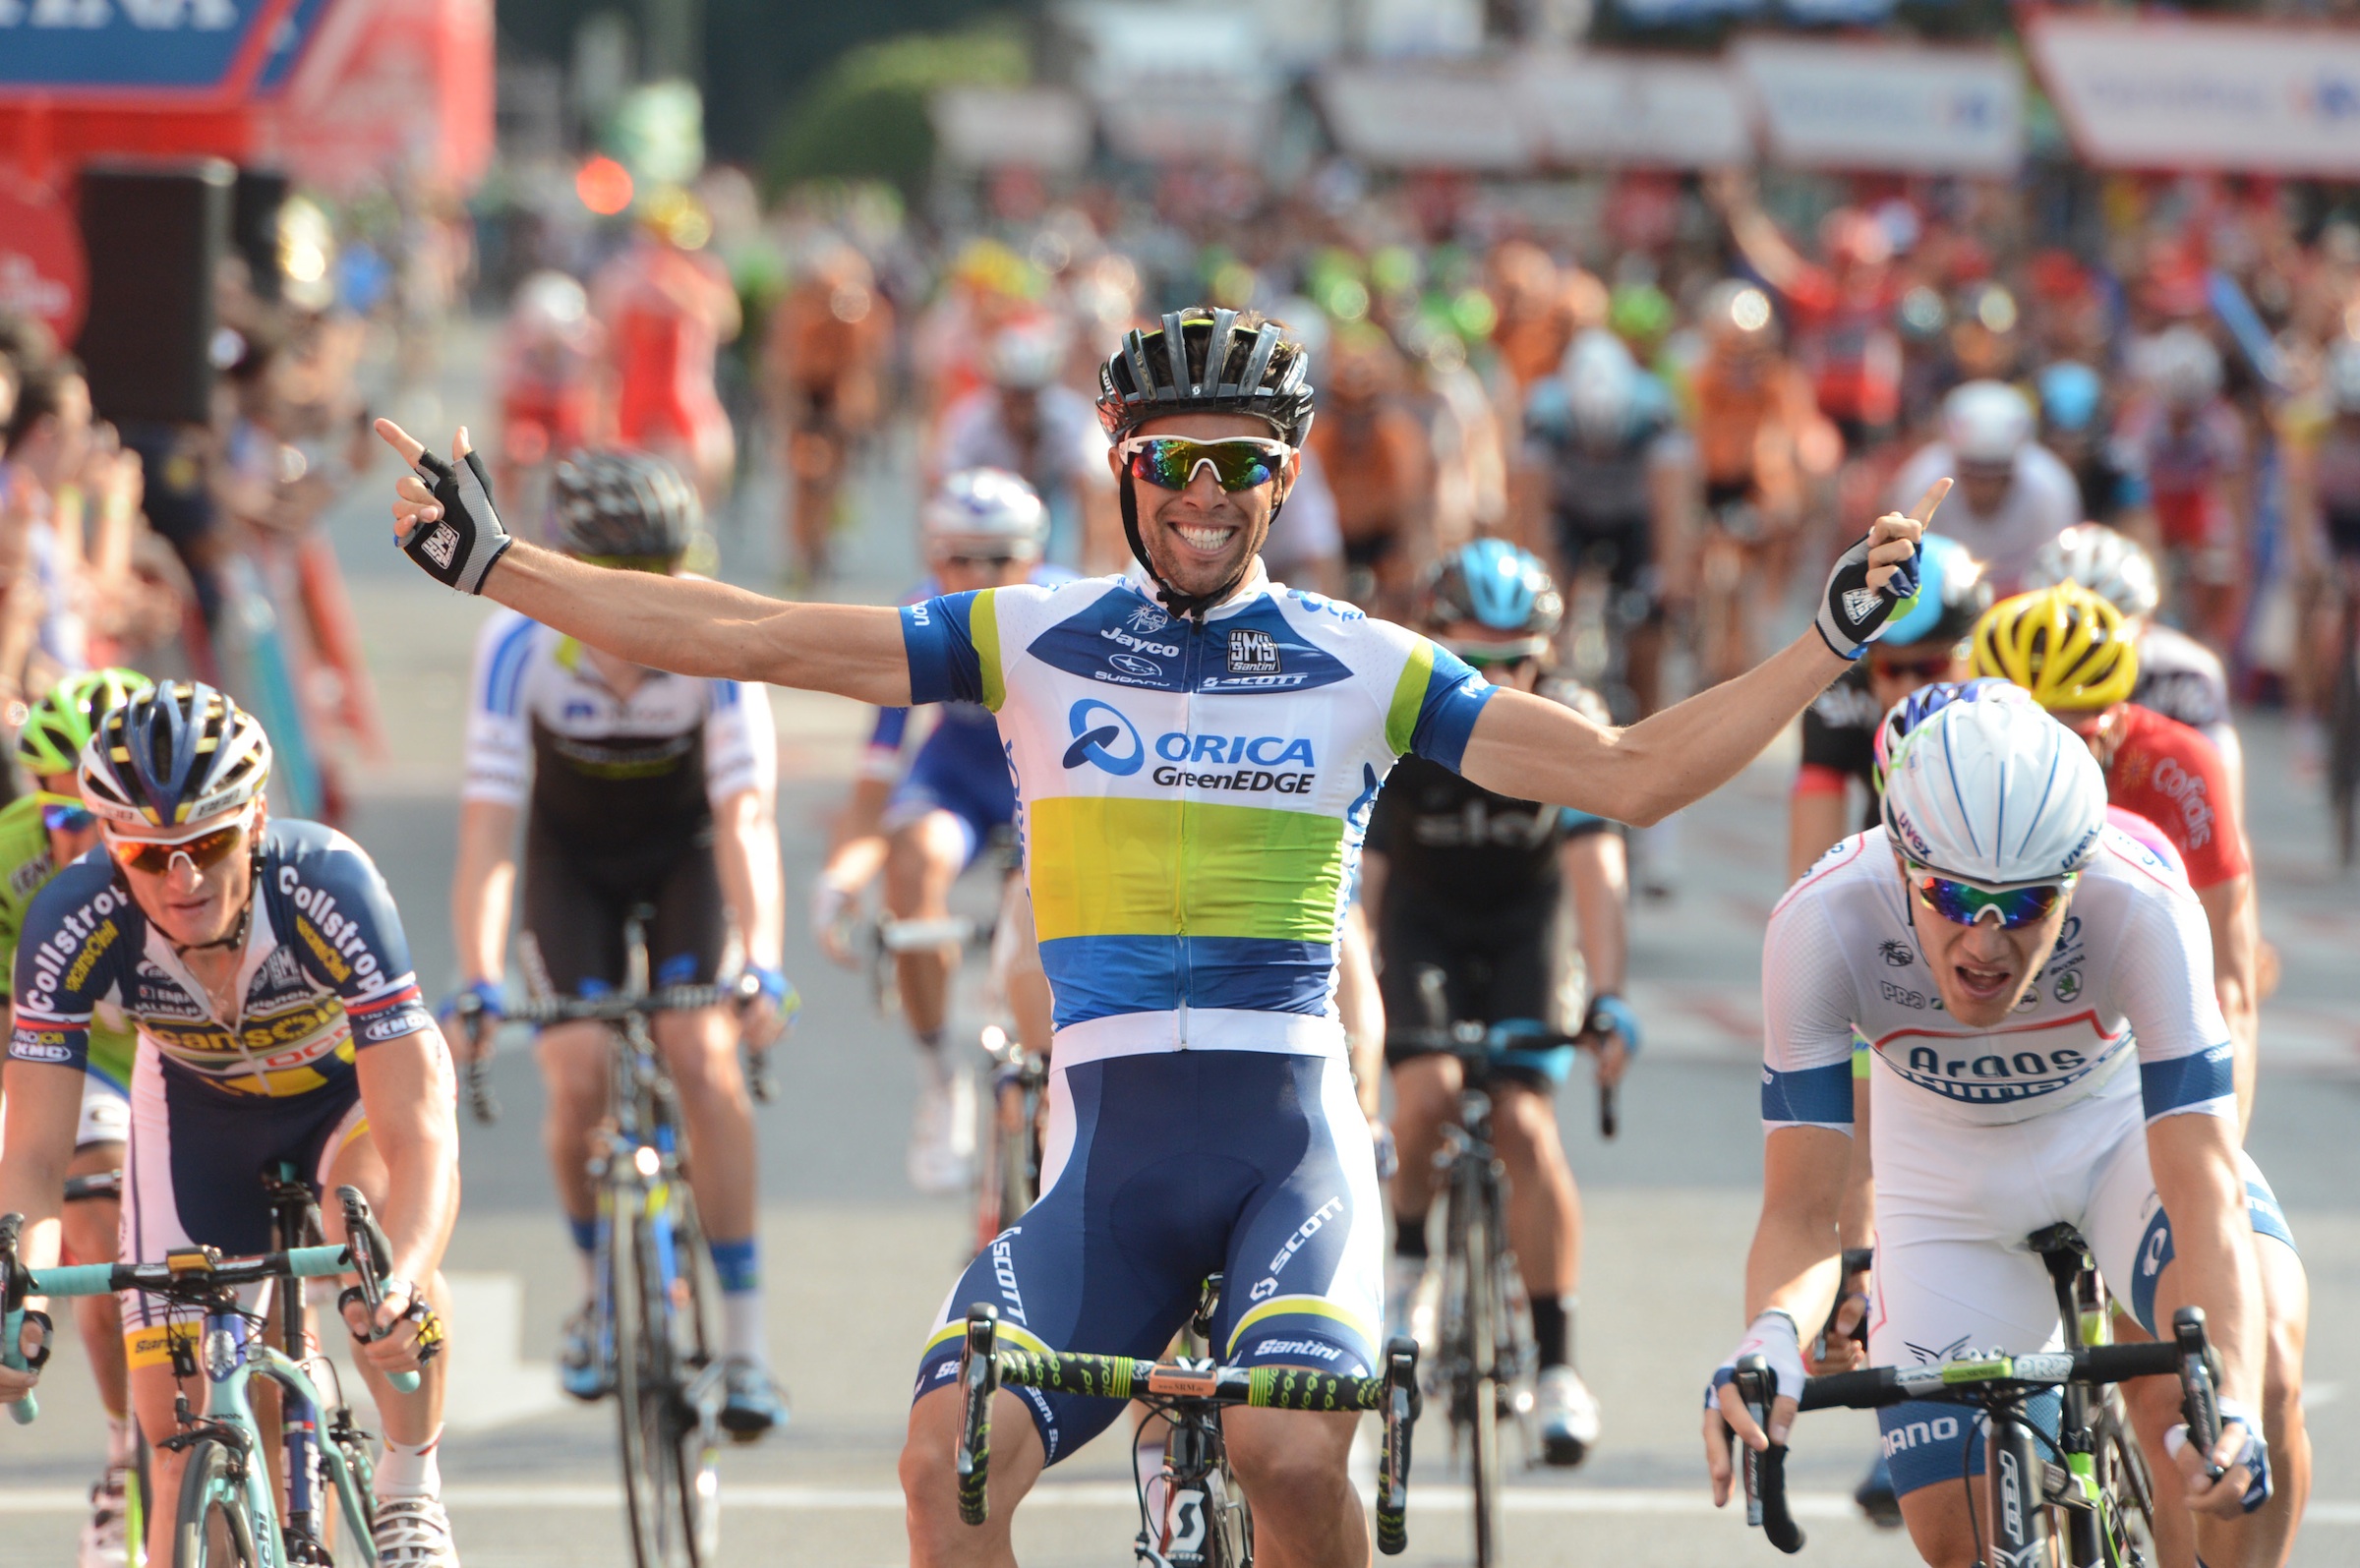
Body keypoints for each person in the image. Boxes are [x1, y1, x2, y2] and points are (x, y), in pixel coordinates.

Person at [376, 304, 1929, 1568]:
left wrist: (1822, 643)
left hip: (1286, 1158)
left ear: (1286, 475)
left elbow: (1625, 770)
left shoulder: (1358, 660)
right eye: (1173, 455)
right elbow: (752, 633)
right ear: (1120, 459)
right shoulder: (1032, 634)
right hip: (1107, 1167)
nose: (1204, 490)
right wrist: (499, 566)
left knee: (1284, 1448)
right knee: (945, 1463)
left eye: (1240, 463)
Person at [1705, 695, 2309, 1568]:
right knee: (1970, 1548)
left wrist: (2239, 1398)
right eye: (1951, 894)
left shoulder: (2139, 896)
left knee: (2259, 1382)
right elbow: (1802, 1212)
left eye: (2023, 904)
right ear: (1905, 862)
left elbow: (2201, 1184)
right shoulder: (1823, 920)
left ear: (2075, 877)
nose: (1985, 939)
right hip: (1943, 1192)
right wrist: (1768, 1333)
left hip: (2116, 1144)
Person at [0, 684, 463, 1568]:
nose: (182, 879)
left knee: (363, 1220)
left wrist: (399, 1279)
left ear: (254, 818)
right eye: (146, 851)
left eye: (207, 843)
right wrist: (15, 1282)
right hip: (194, 1113)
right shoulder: (74, 915)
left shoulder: (329, 882)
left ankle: (411, 1481)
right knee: (173, 1444)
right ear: (108, 839)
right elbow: (33, 1150)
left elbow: (420, 1133)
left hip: (345, 1098)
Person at [444, 448, 791, 1430]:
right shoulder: (519, 646)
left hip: (686, 855)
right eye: (631, 584)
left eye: (668, 578)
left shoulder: (712, 640)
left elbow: (746, 815)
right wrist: (476, 972)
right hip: (573, 863)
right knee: (577, 1063)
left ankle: (749, 1341)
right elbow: (489, 829)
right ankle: (599, 1289)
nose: (654, 607)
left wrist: (762, 956)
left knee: (702, 1054)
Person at [1361, 540, 1634, 1469]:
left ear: (1545, 656)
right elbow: (1366, 881)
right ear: (1434, 645)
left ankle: (1559, 1365)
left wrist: (1607, 994)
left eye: (1515, 660)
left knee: (1523, 1121)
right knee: (1428, 1093)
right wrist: (1345, 995)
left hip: (1526, 929)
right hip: (1426, 924)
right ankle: (1407, 1261)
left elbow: (1595, 868)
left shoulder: (1572, 717)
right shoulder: (1397, 718)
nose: (1494, 681)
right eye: (1471, 661)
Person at [810, 469, 1063, 1191]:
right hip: (954, 779)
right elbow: (873, 787)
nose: (978, 576)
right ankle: (938, 1079)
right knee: (915, 863)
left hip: (1039, 785)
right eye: (959, 557)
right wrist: (841, 878)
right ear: (933, 557)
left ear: (1035, 558)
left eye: (1000, 557)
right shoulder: (918, 615)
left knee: (1037, 921)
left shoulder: (1071, 607)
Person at [1972, 584, 2263, 1134]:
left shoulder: (2176, 766)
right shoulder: (1948, 756)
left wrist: (2226, 1148)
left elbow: (2229, 988)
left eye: (2071, 736)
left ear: (2113, 721)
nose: (2048, 759)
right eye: (2025, 735)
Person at [0, 668, 150, 1567]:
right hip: (73, 1061)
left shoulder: (178, 865)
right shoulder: (12, 860)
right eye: (62, 819)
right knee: (95, 1230)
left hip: (177, 1060)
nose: (82, 842)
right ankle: (124, 1454)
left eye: (102, 817)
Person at [1787, 534, 1991, 881]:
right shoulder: (1844, 698)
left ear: (1972, 655)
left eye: (1930, 668)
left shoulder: (2001, 700)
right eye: (1890, 669)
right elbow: (1809, 874)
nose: (1909, 690)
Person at [1517, 329, 1683, 717]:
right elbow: (1531, 512)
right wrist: (1547, 584)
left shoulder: (1655, 411)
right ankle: (1548, 712)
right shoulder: (1543, 414)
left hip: (1633, 516)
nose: (1598, 456)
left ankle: (1649, 717)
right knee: (1543, 612)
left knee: (1651, 620)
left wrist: (1670, 573)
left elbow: (1673, 504)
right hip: (1571, 513)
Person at [2023, 522, 2243, 811]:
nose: (2086, 649)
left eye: (2106, 629)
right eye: (2067, 627)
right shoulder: (2007, 662)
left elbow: (2221, 791)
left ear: (2146, 624)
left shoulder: (2186, 672)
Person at [930, 314, 1117, 574]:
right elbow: (944, 489)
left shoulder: (1070, 416)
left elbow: (1087, 492)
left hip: (1051, 500)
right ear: (997, 389)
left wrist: (1088, 567)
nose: (1021, 410)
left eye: (1029, 397)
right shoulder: (970, 421)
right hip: (989, 507)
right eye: (1013, 396)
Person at [762, 240, 894, 587]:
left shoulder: (862, 314)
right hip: (810, 401)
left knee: (832, 480)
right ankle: (802, 550)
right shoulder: (800, 312)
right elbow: (784, 365)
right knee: (806, 481)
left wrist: (856, 412)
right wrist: (788, 410)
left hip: (837, 405)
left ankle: (820, 544)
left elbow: (864, 367)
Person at [1890, 380, 2081, 592]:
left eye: (1996, 474)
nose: (1984, 488)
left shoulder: (2051, 492)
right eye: (1972, 473)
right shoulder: (1921, 485)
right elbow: (1907, 568)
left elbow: (2057, 575)